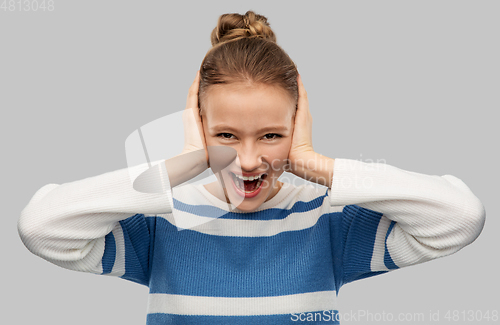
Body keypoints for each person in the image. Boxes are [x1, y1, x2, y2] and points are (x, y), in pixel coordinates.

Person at [18, 10, 486, 325]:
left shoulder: (327, 222)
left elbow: (459, 218)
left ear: (297, 125)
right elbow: (42, 228)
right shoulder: (163, 220)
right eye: (225, 136)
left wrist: (312, 163)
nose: (247, 162)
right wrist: (182, 164)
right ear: (198, 128)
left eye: (271, 136)